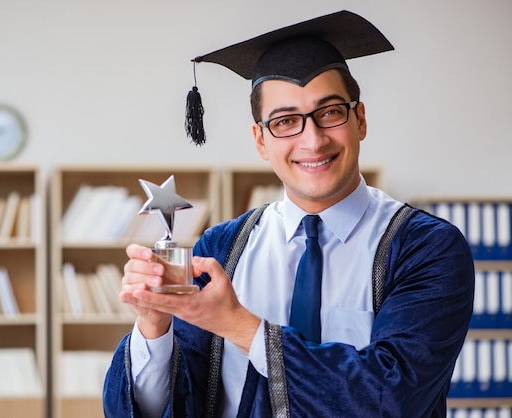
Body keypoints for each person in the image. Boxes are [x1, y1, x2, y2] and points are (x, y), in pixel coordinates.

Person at [103, 10, 474, 417]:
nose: (312, 140)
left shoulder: (426, 248)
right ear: (260, 140)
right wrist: (154, 329)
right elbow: (173, 405)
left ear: (360, 120)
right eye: (285, 121)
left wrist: (238, 324)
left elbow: (392, 396)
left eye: (330, 112)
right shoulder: (222, 249)